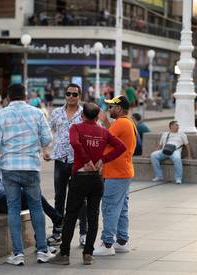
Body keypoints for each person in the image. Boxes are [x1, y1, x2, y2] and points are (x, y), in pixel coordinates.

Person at [49, 103, 126, 265]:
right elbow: (121, 147)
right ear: (98, 117)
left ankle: (64, 254)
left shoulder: (76, 128)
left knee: (70, 215)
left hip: (80, 177)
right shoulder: (104, 131)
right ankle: (88, 254)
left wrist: (86, 160)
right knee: (93, 216)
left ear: (82, 115)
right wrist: (102, 160)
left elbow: (75, 143)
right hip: (96, 180)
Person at [0, 84, 55, 265]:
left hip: (9, 168)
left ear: (8, 97)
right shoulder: (37, 112)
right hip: (31, 166)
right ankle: (42, 250)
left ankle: (18, 254)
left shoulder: (0, 114)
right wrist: (35, 143)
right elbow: (48, 139)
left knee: (14, 208)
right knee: (36, 207)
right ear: (25, 96)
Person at [47, 83, 88, 248]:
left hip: (78, 162)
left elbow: (95, 132)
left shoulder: (85, 113)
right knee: (59, 197)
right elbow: (47, 132)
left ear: (80, 96)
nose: (71, 97)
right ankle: (58, 231)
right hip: (60, 161)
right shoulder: (56, 112)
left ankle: (83, 233)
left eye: (74, 94)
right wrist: (45, 149)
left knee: (80, 199)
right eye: (68, 94)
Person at [95, 95, 136, 256]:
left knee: (110, 207)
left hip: (116, 172)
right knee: (121, 208)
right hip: (123, 171)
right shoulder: (127, 122)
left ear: (119, 108)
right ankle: (122, 241)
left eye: (111, 107)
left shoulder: (120, 123)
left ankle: (107, 244)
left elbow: (103, 139)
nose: (108, 109)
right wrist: (106, 122)